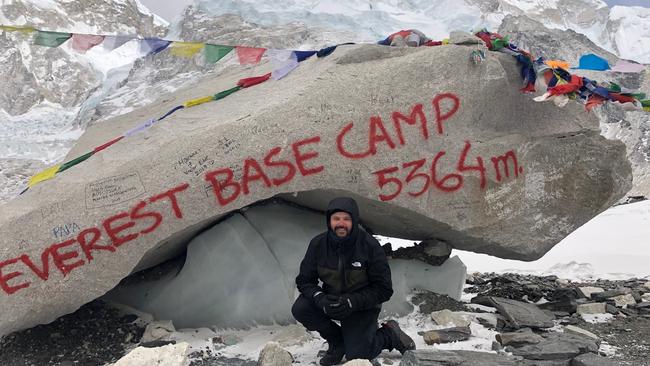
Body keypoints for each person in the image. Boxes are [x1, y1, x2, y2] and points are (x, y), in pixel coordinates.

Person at [292, 197, 416, 365]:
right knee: (301, 308)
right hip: (332, 300)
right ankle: (338, 342)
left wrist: (352, 302)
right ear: (329, 221)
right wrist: (320, 298)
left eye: (346, 219)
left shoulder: (369, 246)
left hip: (361, 305)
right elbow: (304, 281)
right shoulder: (318, 245)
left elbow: (384, 289)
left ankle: (389, 334)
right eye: (336, 219)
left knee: (359, 356)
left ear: (355, 220)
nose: (341, 223)